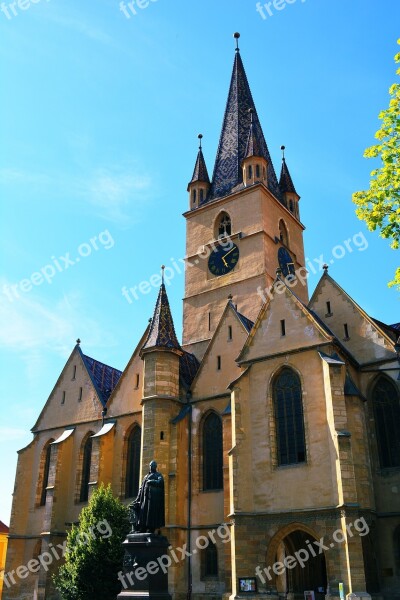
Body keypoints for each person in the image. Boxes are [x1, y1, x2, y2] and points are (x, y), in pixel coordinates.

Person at [131, 460, 165, 533]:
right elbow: (141, 488)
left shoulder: (158, 475)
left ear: (155, 467)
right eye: (150, 465)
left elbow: (160, 482)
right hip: (144, 498)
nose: (151, 467)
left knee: (150, 514)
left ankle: (151, 528)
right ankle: (143, 528)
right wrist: (137, 499)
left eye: (153, 465)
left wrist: (152, 481)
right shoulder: (145, 476)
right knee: (143, 512)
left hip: (152, 499)